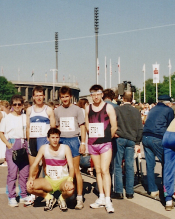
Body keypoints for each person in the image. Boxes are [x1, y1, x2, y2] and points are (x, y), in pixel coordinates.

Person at [85, 84, 117, 213]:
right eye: (93, 94)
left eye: (98, 93)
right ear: (91, 95)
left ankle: (108, 199)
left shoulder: (108, 107)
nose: (96, 96)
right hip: (93, 144)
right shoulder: (88, 108)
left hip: (105, 144)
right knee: (97, 171)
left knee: (105, 170)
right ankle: (101, 197)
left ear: (102, 94)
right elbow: (87, 126)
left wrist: (107, 137)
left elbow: (114, 125)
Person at [27, 128, 75, 212]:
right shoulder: (43, 148)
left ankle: (61, 198)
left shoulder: (65, 148)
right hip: (49, 181)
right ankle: (49, 197)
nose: (55, 140)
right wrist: (30, 178)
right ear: (48, 138)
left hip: (62, 180)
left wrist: (70, 180)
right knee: (29, 187)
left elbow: (71, 167)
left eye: (57, 137)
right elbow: (34, 164)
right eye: (52, 138)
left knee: (70, 190)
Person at [54, 86, 86, 209]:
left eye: (66, 96)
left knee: (76, 170)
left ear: (70, 97)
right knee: (63, 170)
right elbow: (56, 127)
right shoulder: (57, 110)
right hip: (62, 141)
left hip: (73, 140)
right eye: (62, 97)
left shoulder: (77, 109)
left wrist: (83, 143)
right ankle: (64, 196)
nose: (65, 99)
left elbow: (82, 127)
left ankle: (79, 198)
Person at [0, 94, 32, 207]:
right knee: (12, 173)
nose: (17, 106)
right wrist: (8, 144)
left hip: (24, 144)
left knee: (24, 173)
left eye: (19, 104)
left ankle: (23, 194)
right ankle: (11, 196)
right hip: (13, 144)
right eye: (15, 104)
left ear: (23, 105)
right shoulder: (7, 118)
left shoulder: (25, 117)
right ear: (12, 105)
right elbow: (0, 132)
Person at [112, 92, 143, 200]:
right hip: (131, 139)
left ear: (123, 98)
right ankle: (130, 192)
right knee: (129, 166)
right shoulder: (136, 111)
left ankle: (118, 191)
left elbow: (113, 123)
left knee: (118, 165)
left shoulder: (117, 110)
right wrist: (138, 142)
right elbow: (140, 128)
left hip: (119, 138)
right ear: (131, 99)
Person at [142, 95, 174, 199]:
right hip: (158, 137)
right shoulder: (168, 110)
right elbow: (170, 125)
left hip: (146, 136)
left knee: (150, 164)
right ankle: (166, 189)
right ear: (167, 102)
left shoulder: (152, 109)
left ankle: (152, 189)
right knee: (165, 163)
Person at [26, 86, 56, 178]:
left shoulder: (48, 110)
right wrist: (28, 142)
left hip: (44, 141)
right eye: (36, 95)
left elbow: (53, 128)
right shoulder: (29, 110)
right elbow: (27, 128)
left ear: (44, 96)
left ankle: (48, 188)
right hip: (33, 141)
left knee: (47, 168)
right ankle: (33, 190)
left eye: (40, 95)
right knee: (34, 168)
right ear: (33, 97)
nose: (38, 98)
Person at [0, 100, 10, 166]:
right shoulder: (10, 112)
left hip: (2, 131)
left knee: (2, 146)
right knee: (7, 146)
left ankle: (5, 161)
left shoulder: (2, 113)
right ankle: (8, 160)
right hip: (8, 131)